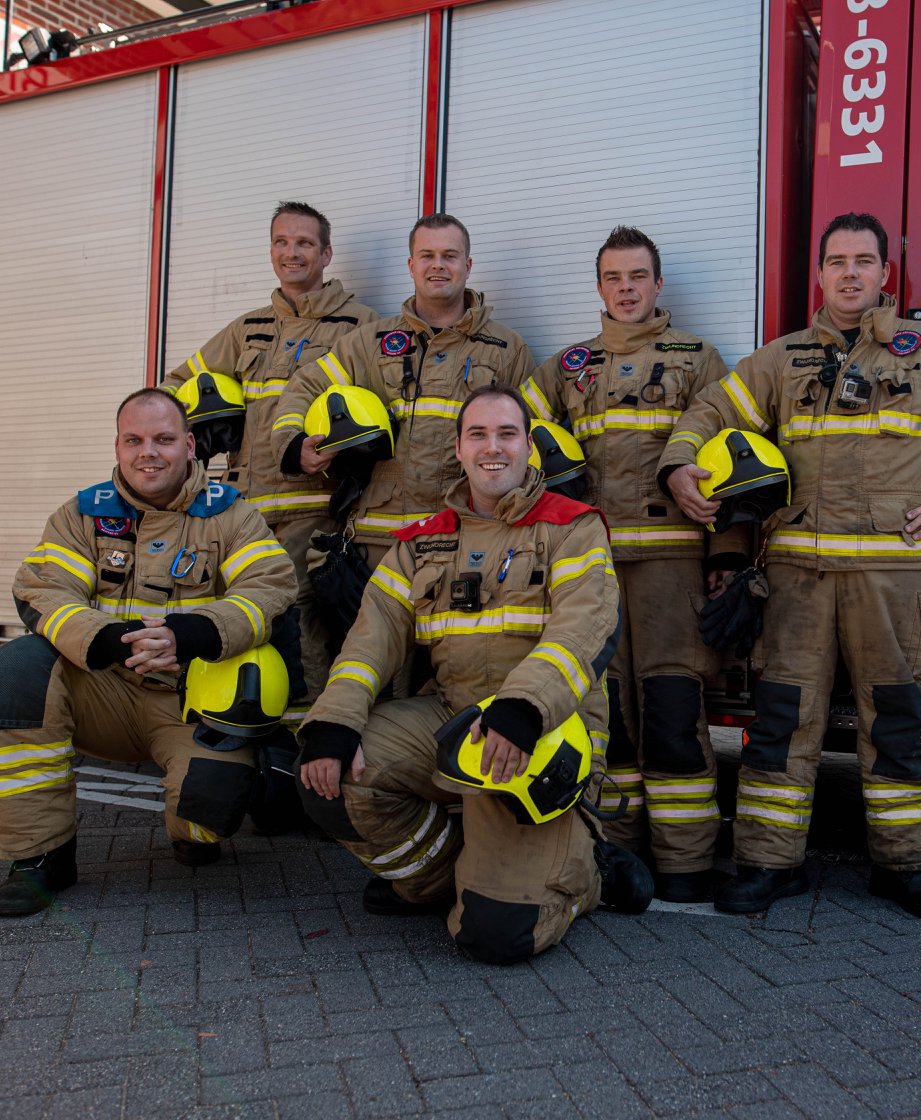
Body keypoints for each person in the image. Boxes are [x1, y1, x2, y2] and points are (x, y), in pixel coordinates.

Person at [660, 213, 921, 920]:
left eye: (864, 261)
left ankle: (907, 867)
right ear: (821, 274)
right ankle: (769, 864)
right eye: (837, 261)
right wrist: (680, 464)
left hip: (896, 586)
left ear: (886, 275)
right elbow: (710, 410)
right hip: (798, 582)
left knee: (893, 723)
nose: (851, 273)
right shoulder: (783, 359)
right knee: (781, 724)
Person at [296, 386, 651, 964]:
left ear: (529, 446)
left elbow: (581, 630)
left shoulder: (573, 527)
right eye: (478, 435)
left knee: (495, 936)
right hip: (453, 719)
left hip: (542, 729)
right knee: (327, 775)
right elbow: (370, 640)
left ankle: (589, 872)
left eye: (507, 434)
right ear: (458, 449)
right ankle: (438, 880)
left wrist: (522, 709)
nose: (493, 448)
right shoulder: (419, 541)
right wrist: (334, 721)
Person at [0, 389, 297, 917]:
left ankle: (192, 829)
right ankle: (40, 857)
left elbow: (270, 590)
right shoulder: (81, 515)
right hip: (101, 691)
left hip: (192, 705)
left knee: (208, 813)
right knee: (18, 668)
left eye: (164, 439)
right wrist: (106, 640)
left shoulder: (233, 517)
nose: (149, 452)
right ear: (119, 446)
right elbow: (43, 591)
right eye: (135, 440)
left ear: (190, 445)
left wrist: (190, 634)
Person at [522, 226, 738, 903]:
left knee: (673, 714)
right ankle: (617, 858)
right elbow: (513, 440)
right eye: (614, 277)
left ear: (658, 284)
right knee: (607, 719)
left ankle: (687, 863)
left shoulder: (698, 359)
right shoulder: (565, 368)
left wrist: (728, 559)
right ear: (598, 287)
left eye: (638, 276)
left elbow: (737, 458)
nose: (626, 288)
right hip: (592, 570)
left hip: (672, 570)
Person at [162, 201, 377, 722]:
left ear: (325, 253)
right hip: (242, 510)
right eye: (281, 242)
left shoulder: (361, 324)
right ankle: (246, 729)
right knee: (240, 616)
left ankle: (305, 741)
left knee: (298, 620)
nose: (291, 253)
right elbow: (172, 388)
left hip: (315, 508)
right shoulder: (247, 329)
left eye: (304, 243)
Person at [274, 214, 534, 575]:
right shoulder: (371, 342)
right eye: (427, 255)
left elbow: (530, 442)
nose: (438, 265)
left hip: (465, 540)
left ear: (468, 265)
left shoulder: (506, 349)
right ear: (411, 265)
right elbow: (305, 385)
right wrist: (292, 444)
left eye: (450, 255)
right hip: (378, 543)